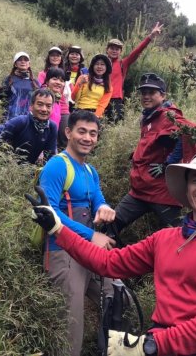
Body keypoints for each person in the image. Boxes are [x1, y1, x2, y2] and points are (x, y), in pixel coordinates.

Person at [28, 151, 196, 356]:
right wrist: (57, 229)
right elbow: (108, 262)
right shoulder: (165, 239)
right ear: (187, 190)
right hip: (158, 343)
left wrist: (153, 345)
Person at [35, 110, 119, 356]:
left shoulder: (90, 171)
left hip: (89, 254)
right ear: (68, 132)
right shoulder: (57, 166)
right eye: (82, 131)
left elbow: (98, 198)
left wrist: (103, 207)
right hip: (63, 253)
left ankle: (110, 349)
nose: (88, 138)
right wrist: (91, 235)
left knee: (117, 296)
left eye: (93, 133)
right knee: (71, 325)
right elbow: (48, 211)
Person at [111, 73, 196, 235]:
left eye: (151, 93)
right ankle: (112, 256)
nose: (146, 96)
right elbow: (158, 139)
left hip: (161, 193)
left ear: (163, 95)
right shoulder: (150, 116)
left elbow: (191, 132)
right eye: (143, 92)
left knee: (182, 234)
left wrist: (168, 164)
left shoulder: (168, 115)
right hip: (140, 189)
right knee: (112, 225)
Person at [105, 22, 163, 122]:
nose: (114, 51)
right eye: (112, 48)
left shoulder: (123, 64)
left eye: (117, 49)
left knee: (116, 125)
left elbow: (137, 51)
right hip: (101, 98)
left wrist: (151, 36)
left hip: (116, 100)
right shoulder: (101, 64)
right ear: (107, 50)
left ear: (120, 52)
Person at [0, 88, 57, 165]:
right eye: (40, 104)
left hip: (27, 171)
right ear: (31, 106)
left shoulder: (52, 127)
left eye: (48, 106)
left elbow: (50, 157)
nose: (44, 109)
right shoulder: (20, 122)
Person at [0, 51, 40, 120]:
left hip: (29, 120)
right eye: (20, 60)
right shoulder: (9, 80)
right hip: (10, 118)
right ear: (15, 64)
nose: (23, 61)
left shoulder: (35, 83)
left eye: (25, 60)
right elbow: (2, 98)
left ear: (29, 64)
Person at [71, 53, 113, 118]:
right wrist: (80, 83)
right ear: (92, 66)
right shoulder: (83, 78)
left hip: (95, 114)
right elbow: (74, 98)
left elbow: (102, 105)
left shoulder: (108, 86)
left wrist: (95, 116)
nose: (99, 67)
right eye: (97, 64)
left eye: (102, 64)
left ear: (106, 67)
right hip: (80, 112)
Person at [43, 67, 70, 147]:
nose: (58, 83)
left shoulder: (57, 99)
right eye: (55, 79)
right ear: (47, 81)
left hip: (52, 142)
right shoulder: (43, 97)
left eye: (62, 81)